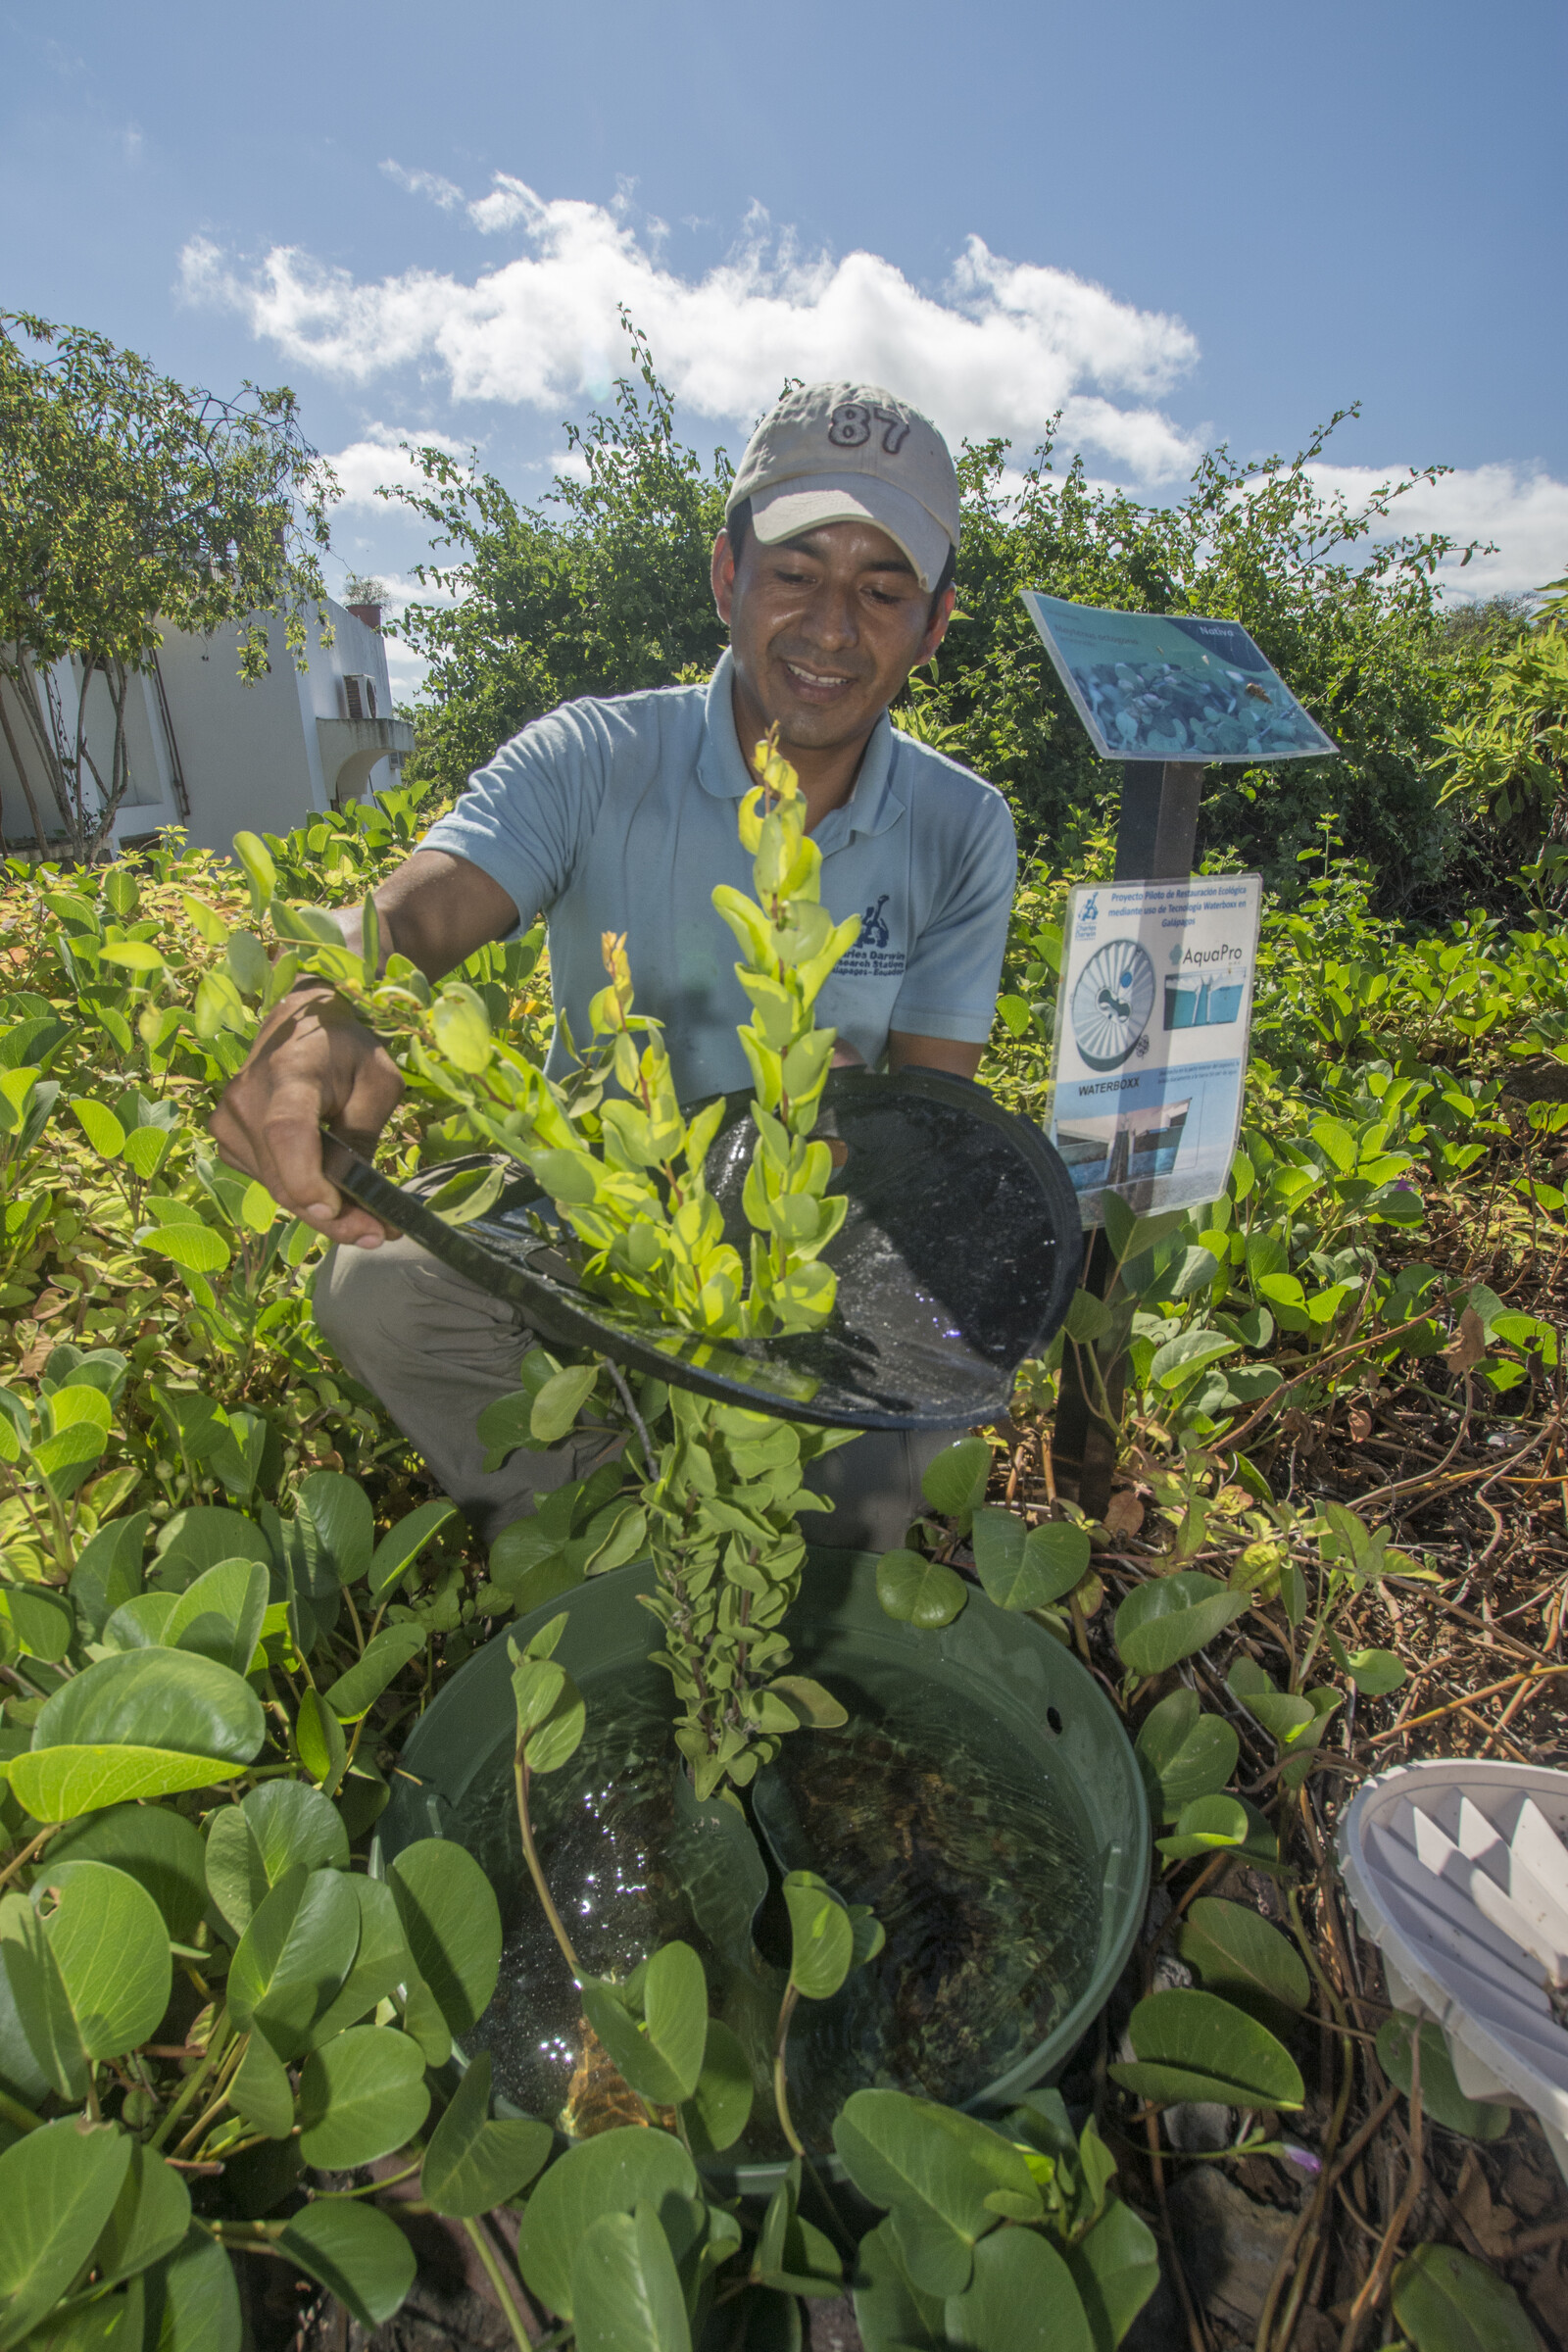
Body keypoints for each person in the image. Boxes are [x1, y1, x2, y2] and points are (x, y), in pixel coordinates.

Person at [212, 380, 1018, 1550]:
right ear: (727, 580)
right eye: (795, 572)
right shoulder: (593, 755)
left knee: (923, 1420)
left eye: (882, 588)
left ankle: (760, 1539)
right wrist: (323, 999)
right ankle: (615, 1548)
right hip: (588, 1206)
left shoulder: (961, 824)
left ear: (935, 626)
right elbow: (424, 906)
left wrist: (843, 1162)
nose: (833, 625)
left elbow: (938, 1120)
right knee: (382, 1292)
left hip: (814, 1227)